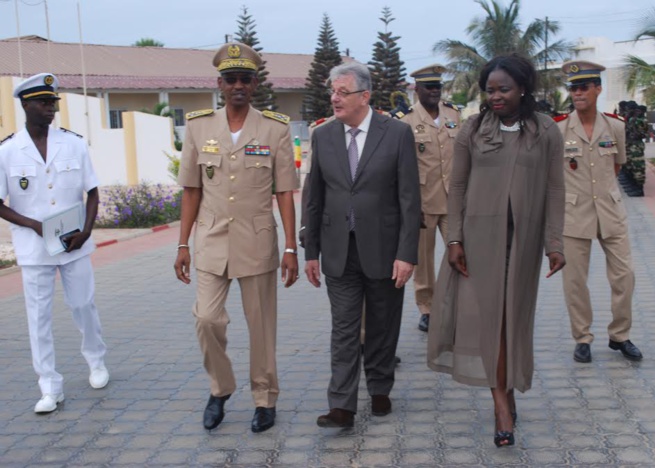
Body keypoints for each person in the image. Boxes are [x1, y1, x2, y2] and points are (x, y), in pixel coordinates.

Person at [427, 54, 566, 447]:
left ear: (523, 88)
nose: (496, 96)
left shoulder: (545, 132)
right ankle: (501, 406)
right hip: (477, 243)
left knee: (511, 322)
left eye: (503, 89)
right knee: (489, 324)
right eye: (489, 90)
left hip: (522, 245)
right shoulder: (472, 129)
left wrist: (554, 243)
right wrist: (454, 239)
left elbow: (556, 189)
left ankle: (506, 390)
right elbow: (456, 187)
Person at [174, 42, 299, 433]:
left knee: (261, 326)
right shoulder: (198, 126)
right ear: (220, 84)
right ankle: (221, 387)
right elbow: (191, 190)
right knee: (207, 320)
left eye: (245, 78)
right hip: (211, 240)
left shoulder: (275, 128)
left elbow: (284, 193)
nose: (238, 85)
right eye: (231, 79)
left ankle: (264, 397)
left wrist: (292, 247)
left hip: (257, 238)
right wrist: (181, 243)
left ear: (255, 83)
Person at [304, 62, 421, 428]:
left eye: (342, 92)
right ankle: (342, 405)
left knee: (384, 324)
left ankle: (381, 387)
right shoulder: (323, 136)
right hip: (339, 249)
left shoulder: (397, 133)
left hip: (385, 249)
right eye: (332, 92)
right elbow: (313, 196)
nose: (335, 99)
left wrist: (407, 253)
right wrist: (309, 250)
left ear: (365, 96)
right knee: (344, 328)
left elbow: (409, 199)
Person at [0, 73, 109, 414]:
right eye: (44, 103)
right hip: (34, 249)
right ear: (25, 105)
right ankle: (49, 386)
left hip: (75, 242)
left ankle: (96, 361)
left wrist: (88, 230)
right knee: (38, 318)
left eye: (53, 103)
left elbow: (92, 192)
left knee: (82, 305)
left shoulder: (73, 143)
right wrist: (32, 225)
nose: (51, 109)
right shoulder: (7, 151)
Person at [556, 61, 643, 364]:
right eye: (573, 88)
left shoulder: (615, 125)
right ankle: (582, 337)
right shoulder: (559, 129)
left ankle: (620, 335)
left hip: (610, 210)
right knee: (575, 281)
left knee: (625, 276)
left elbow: (616, 165)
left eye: (583, 87)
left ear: (597, 88)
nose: (577, 93)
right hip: (574, 214)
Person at [397, 64, 461, 332]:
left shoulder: (454, 114)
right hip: (423, 203)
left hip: (454, 201)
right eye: (429, 87)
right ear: (417, 89)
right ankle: (427, 308)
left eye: (438, 86)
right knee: (423, 261)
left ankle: (456, 304)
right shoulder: (405, 121)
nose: (435, 92)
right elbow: (401, 167)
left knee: (459, 255)